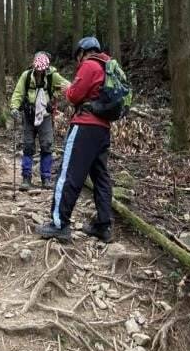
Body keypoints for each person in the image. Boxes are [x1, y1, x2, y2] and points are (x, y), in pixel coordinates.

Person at [35, 37, 113, 243]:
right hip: (103, 129)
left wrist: (68, 90)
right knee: (101, 177)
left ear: (82, 52)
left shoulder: (89, 65)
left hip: (85, 126)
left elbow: (74, 96)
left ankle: (59, 223)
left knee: (69, 173)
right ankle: (104, 226)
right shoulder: (109, 67)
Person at [10, 52, 70, 191]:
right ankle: (26, 178)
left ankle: (46, 178)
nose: (39, 72)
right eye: (37, 70)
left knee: (47, 145)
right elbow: (18, 93)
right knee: (28, 146)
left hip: (45, 116)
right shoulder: (26, 76)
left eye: (42, 70)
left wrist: (55, 95)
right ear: (34, 66)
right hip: (29, 115)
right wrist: (14, 107)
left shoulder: (52, 76)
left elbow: (68, 86)